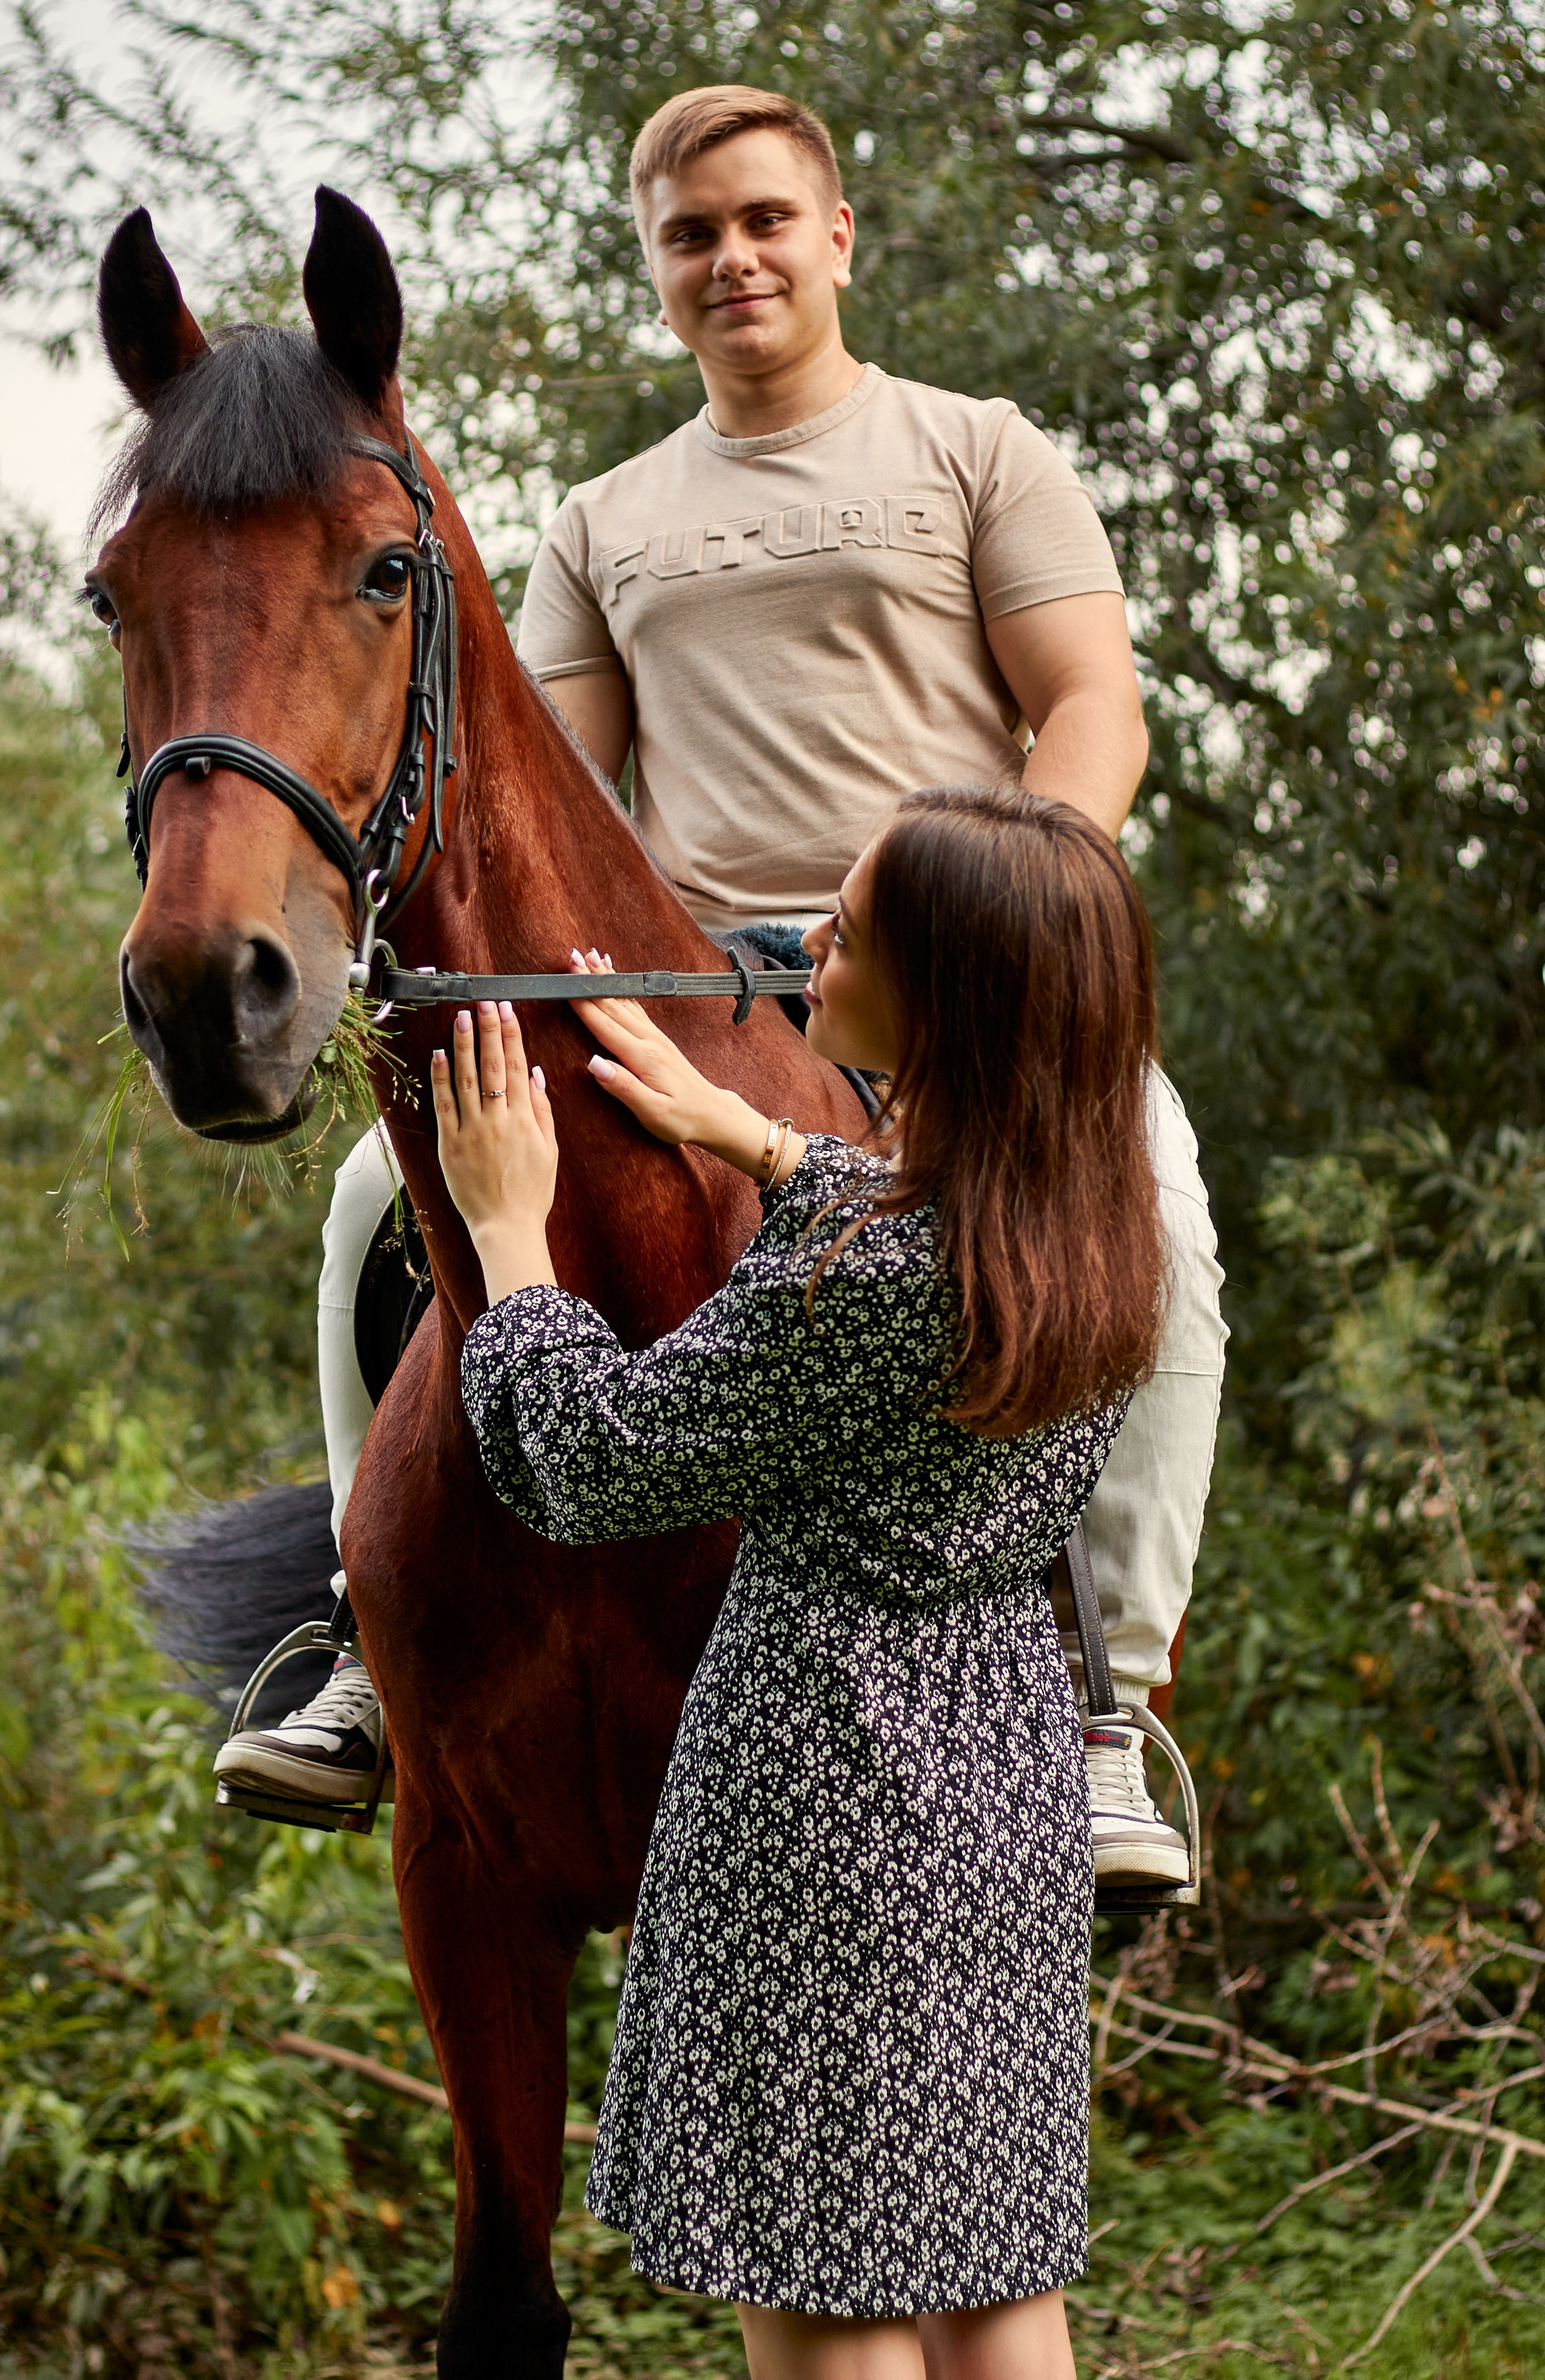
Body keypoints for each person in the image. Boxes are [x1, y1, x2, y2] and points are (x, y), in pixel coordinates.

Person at [216, 86, 1225, 1891]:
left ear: (836, 236)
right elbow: (546, 789)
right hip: (695, 986)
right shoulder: (603, 520)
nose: (731, 256)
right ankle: (363, 1643)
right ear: (656, 273)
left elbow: (1092, 712)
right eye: (691, 234)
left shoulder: (975, 451)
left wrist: (1009, 929)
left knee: (1151, 1209)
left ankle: (1105, 1713)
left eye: (763, 218)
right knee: (382, 1189)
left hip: (956, 976)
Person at [432, 788, 1165, 2380]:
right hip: (997, 1783)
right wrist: (757, 1138)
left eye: (854, 928)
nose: (810, 941)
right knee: (989, 2277)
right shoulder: (1095, 1237)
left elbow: (591, 1459)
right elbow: (919, 1242)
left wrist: (507, 1237)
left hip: (823, 1791)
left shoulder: (862, 1284)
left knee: (834, 2302)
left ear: (951, 995)